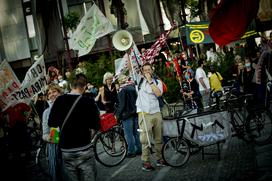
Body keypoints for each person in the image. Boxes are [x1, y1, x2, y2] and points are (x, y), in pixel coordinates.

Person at [48, 73, 100, 181]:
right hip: (84, 148)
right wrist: (89, 137)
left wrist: (59, 137)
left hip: (66, 150)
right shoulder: (88, 101)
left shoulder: (59, 100)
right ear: (85, 87)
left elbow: (51, 123)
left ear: (71, 85)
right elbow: (96, 125)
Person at [135, 62, 167, 171]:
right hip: (144, 113)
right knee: (145, 139)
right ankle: (146, 162)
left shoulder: (157, 82)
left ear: (152, 70)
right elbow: (130, 68)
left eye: (149, 69)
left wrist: (150, 81)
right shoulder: (139, 81)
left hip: (156, 112)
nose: (147, 71)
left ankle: (160, 158)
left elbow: (158, 94)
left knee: (158, 138)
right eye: (145, 70)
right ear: (142, 72)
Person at [115, 75, 142, 158]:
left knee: (128, 134)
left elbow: (122, 105)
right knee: (136, 133)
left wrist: (117, 115)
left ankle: (131, 151)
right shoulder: (133, 87)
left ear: (120, 82)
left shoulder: (122, 90)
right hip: (135, 112)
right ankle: (139, 149)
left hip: (126, 115)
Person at [42, 83, 63, 181]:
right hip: (53, 143)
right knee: (56, 172)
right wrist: (48, 137)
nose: (51, 94)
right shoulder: (46, 112)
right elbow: (45, 132)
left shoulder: (67, 106)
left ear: (59, 92)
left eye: (54, 91)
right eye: (49, 93)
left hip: (69, 143)